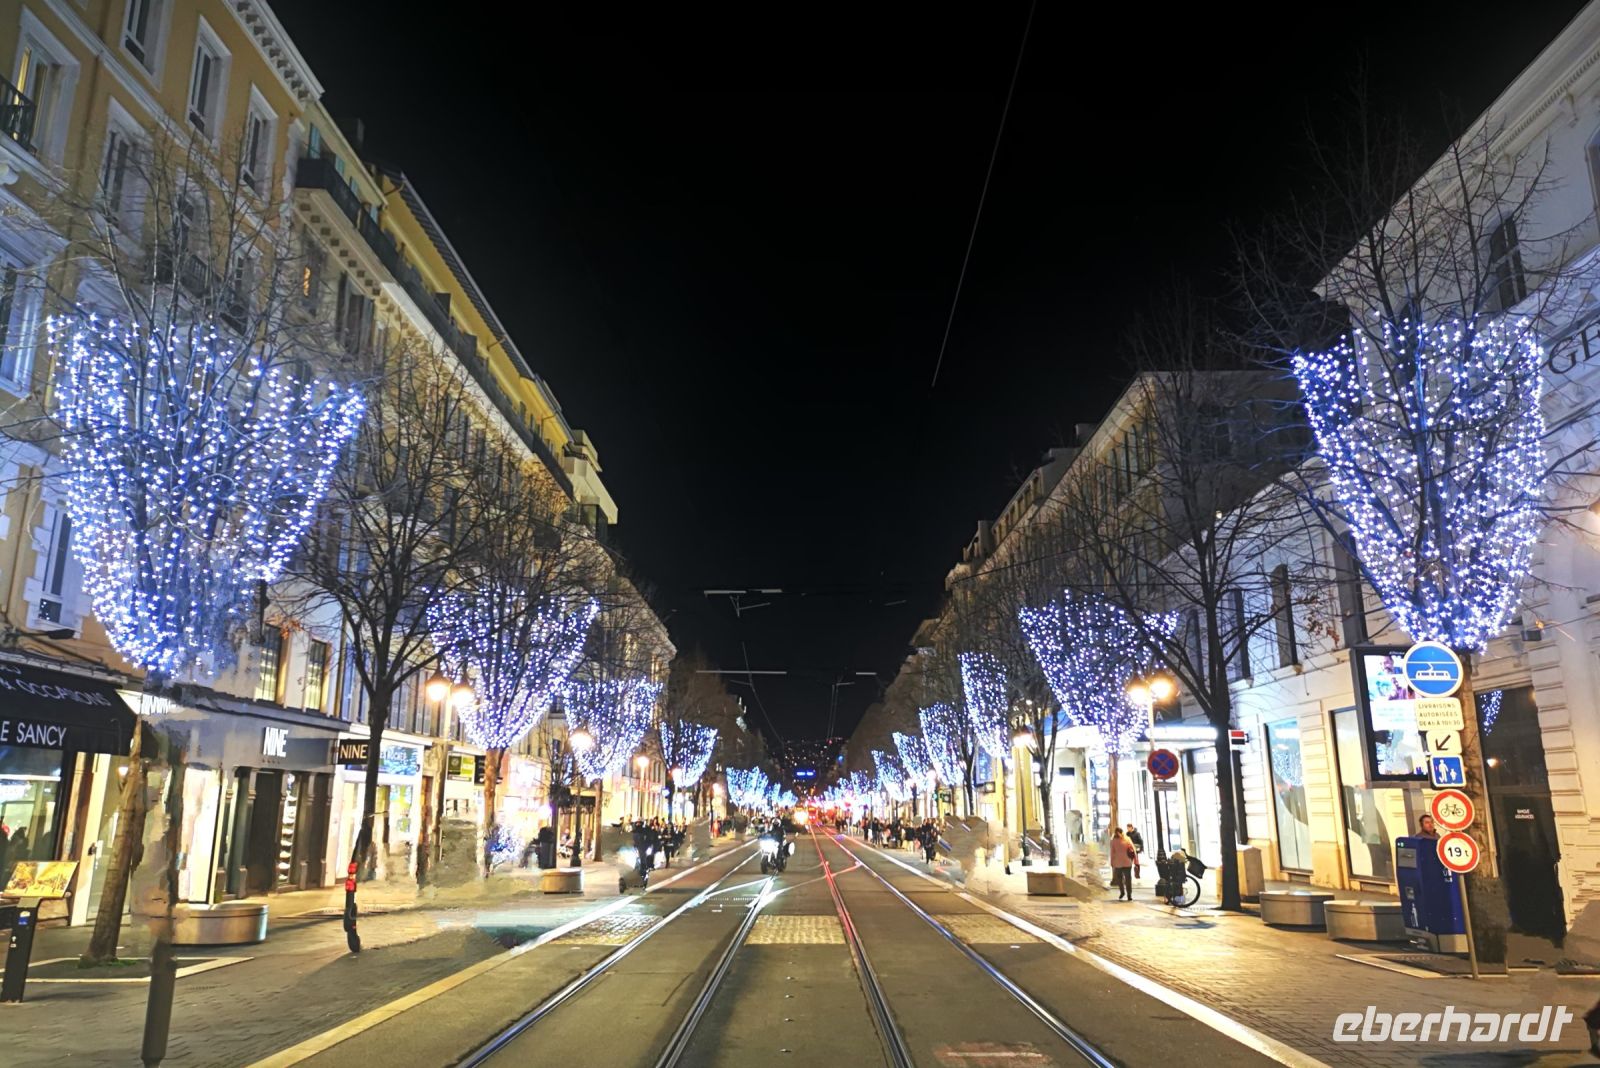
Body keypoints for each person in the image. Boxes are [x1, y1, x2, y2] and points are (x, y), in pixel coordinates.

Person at [1109, 827, 1136, 900]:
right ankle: (1129, 895)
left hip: (1118, 863)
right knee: (1128, 879)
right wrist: (1135, 859)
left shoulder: (1113, 841)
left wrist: (1112, 862)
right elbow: (1133, 849)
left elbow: (1112, 853)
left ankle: (1123, 892)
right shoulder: (1127, 839)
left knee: (1120, 879)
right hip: (1127, 862)